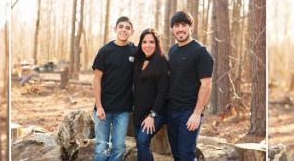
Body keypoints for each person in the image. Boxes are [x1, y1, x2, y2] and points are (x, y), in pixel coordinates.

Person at [165, 11, 214, 161]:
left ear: (190, 28)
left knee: (186, 155)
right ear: (172, 29)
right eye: (176, 26)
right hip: (171, 111)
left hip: (189, 113)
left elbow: (206, 84)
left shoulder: (201, 52)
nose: (180, 29)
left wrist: (197, 113)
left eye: (183, 25)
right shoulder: (172, 50)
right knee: (177, 154)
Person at [91, 16, 136, 161]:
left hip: (123, 110)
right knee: (101, 147)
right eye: (121, 26)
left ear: (132, 31)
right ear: (115, 29)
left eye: (127, 28)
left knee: (118, 147)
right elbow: (96, 80)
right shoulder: (105, 51)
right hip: (103, 108)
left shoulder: (135, 51)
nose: (124, 30)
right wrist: (99, 106)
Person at [132, 29, 169, 161]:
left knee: (142, 141)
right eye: (144, 42)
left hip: (156, 112)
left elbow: (162, 92)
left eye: (151, 42)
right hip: (139, 111)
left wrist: (152, 115)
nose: (147, 45)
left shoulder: (162, 62)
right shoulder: (137, 61)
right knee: (142, 145)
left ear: (157, 44)